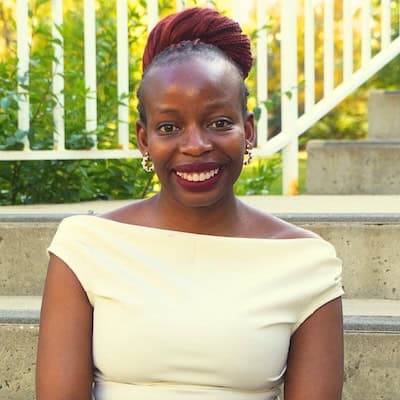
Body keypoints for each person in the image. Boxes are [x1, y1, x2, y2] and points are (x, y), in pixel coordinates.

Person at [36, 6, 344, 400]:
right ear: (144, 140)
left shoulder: (306, 262)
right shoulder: (85, 246)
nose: (196, 145)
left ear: (248, 131)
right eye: (169, 127)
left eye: (219, 123)